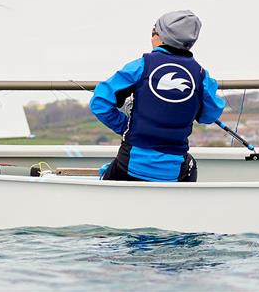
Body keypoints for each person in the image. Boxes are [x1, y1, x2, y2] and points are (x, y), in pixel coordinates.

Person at [89, 10, 226, 182]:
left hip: (129, 166)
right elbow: (209, 116)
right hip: (173, 172)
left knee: (110, 172)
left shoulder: (141, 66)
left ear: (161, 36)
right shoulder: (201, 77)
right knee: (190, 164)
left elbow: (99, 103)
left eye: (153, 31)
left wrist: (126, 126)